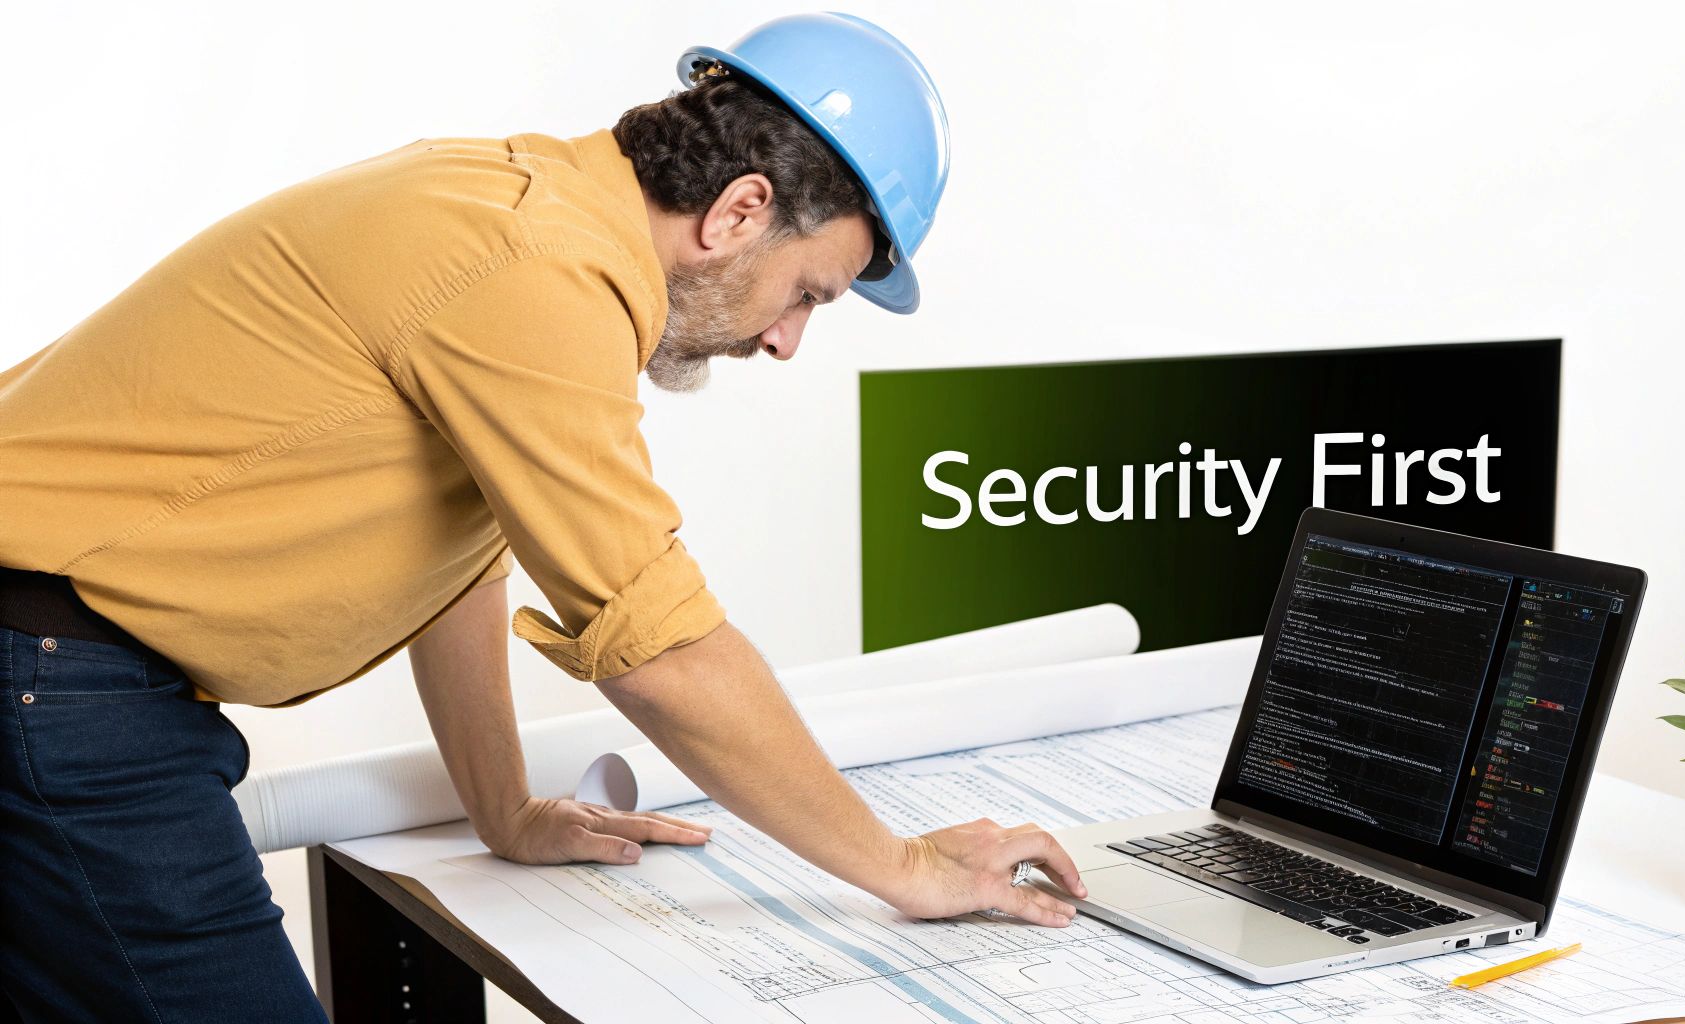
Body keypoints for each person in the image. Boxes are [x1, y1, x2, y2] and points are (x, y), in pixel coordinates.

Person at [0, 13, 1088, 1023]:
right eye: (808, 291)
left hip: (51, 668)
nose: (786, 340)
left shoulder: (526, 203)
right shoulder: (540, 272)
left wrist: (502, 806)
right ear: (740, 211)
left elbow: (456, 556)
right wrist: (904, 867)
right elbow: (664, 653)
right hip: (55, 680)